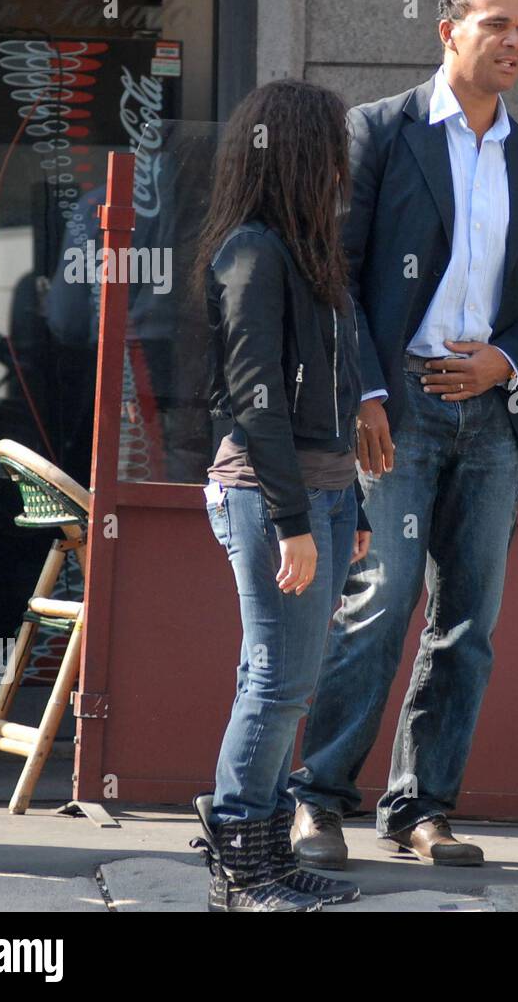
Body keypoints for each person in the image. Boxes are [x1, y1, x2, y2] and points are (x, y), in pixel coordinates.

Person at [288, 0, 518, 867]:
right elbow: (333, 270)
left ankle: (422, 807)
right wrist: (366, 392)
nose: (514, 42)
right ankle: (318, 798)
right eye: (495, 24)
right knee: (383, 597)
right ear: (446, 32)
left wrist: (505, 358)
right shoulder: (378, 131)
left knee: (468, 623)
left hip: (487, 410)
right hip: (397, 403)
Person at [189, 80, 372, 912]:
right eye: (332, 145)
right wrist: (297, 522)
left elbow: (333, 396)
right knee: (278, 679)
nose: (344, 162)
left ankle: (260, 849)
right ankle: (241, 859)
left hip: (324, 497)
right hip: (269, 498)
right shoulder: (253, 252)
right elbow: (256, 399)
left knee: (276, 675)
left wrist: (353, 511)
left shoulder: (309, 251)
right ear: (299, 153)